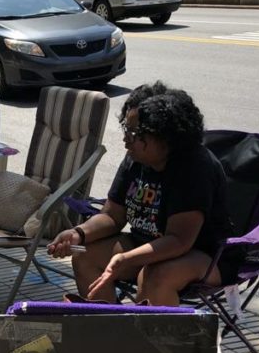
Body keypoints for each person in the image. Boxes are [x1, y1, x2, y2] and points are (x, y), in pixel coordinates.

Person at [48, 81, 238, 306]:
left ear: (165, 136)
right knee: (85, 256)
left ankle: (154, 340)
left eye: (134, 133)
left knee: (154, 276)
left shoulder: (195, 167)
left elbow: (179, 241)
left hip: (206, 255)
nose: (125, 139)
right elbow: (112, 216)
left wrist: (126, 258)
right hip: (146, 243)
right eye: (125, 129)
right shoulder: (135, 160)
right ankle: (110, 330)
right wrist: (79, 233)